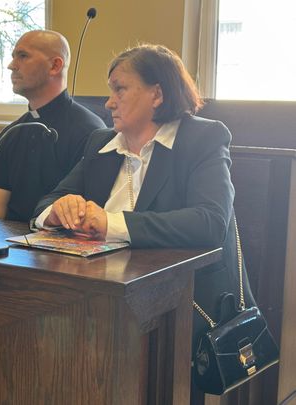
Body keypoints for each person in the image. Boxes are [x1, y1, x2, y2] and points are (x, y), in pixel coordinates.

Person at [32, 44, 255, 396]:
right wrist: (59, 210)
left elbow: (210, 222)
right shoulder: (100, 143)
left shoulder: (204, 138)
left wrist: (110, 224)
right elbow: (45, 204)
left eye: (119, 89)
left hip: (176, 305)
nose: (109, 102)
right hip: (97, 298)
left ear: (157, 94)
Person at [0, 30, 105, 222]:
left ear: (55, 65)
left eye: (23, 56)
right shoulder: (11, 133)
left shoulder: (91, 132)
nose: (11, 65)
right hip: (7, 237)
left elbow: (86, 214)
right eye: (13, 56)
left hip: (60, 237)